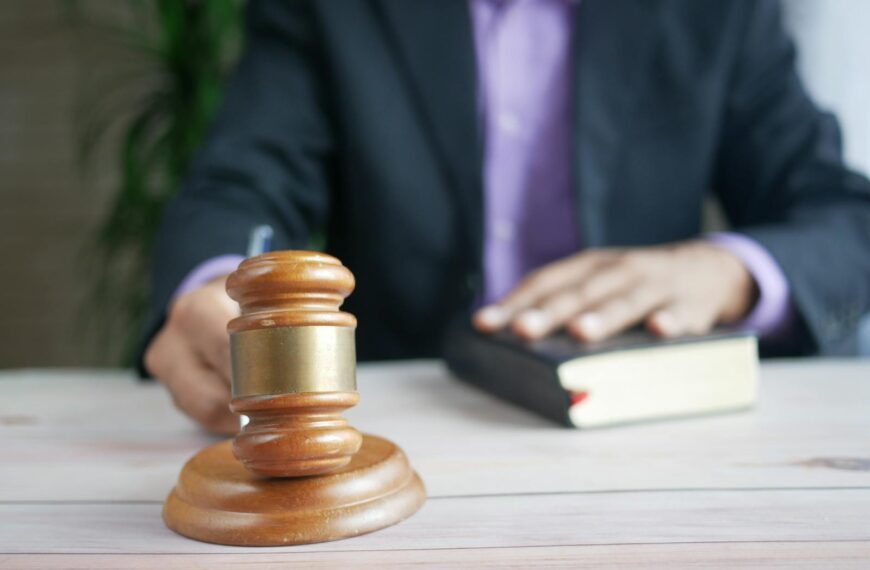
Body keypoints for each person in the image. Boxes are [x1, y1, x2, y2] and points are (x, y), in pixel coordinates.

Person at [142, 0, 870, 433]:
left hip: (650, 441)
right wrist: (216, 292)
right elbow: (241, 185)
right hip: (401, 418)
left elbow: (842, 217)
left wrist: (730, 271)